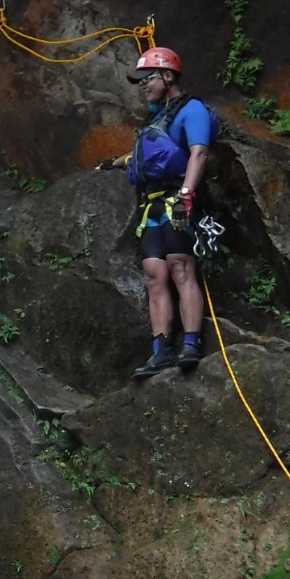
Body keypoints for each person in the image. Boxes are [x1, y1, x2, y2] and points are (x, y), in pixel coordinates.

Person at [102, 46, 214, 378]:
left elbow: (199, 153)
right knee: (153, 273)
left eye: (147, 78)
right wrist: (112, 163)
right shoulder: (156, 117)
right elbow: (143, 154)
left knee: (181, 267)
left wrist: (186, 195)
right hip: (152, 204)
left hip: (178, 198)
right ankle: (160, 350)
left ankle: (190, 343)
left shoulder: (191, 110)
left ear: (168, 76)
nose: (142, 85)